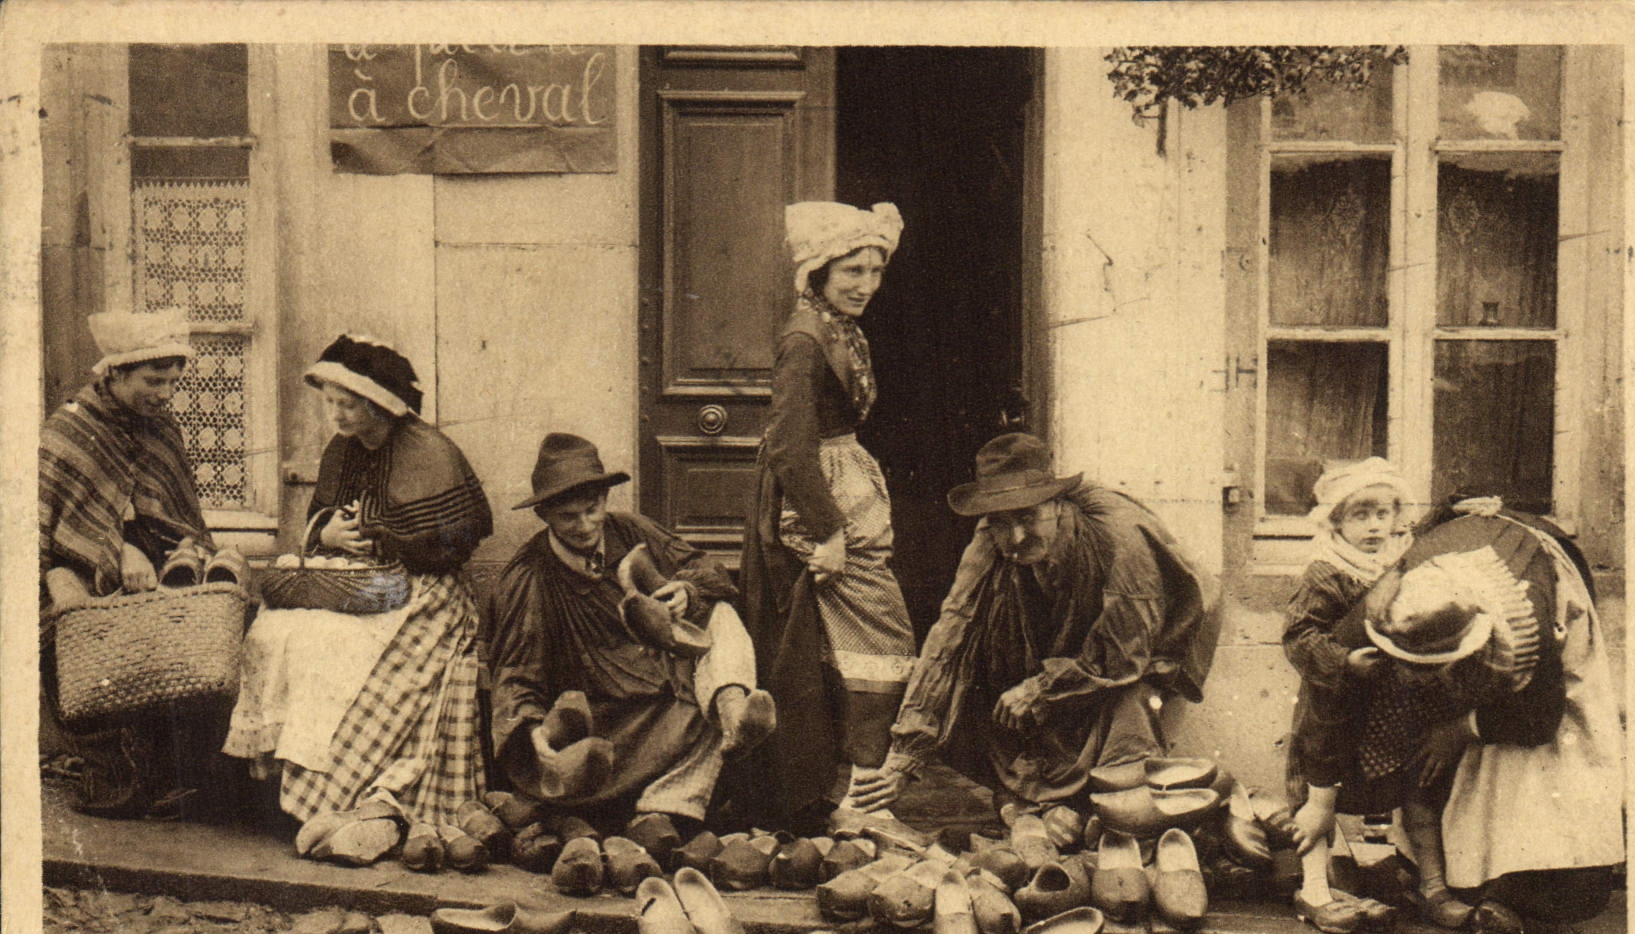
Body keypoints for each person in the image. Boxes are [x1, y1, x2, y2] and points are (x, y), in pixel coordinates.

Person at [846, 433, 1222, 822]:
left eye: (1028, 518)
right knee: (969, 695)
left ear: (1058, 504)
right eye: (1002, 524)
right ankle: (1029, 803)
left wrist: (1040, 688)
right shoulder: (993, 536)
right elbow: (951, 635)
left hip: (1146, 651)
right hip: (1071, 658)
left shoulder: (1120, 536)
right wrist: (905, 754)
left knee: (1132, 710)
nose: (1016, 538)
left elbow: (1123, 656)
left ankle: (1115, 820)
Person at [222, 335, 493, 864]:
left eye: (347, 405)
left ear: (379, 405)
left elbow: (463, 536)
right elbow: (319, 517)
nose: (337, 415)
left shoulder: (428, 452)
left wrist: (391, 542)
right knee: (278, 631)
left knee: (336, 647)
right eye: (330, 403)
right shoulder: (341, 450)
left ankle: (342, 800)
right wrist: (329, 536)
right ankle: (280, 793)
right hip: (349, 582)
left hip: (423, 591)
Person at [1340, 498, 1625, 934]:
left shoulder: (1526, 626)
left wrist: (1461, 729)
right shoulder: (1389, 605)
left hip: (1533, 588)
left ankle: (1507, 887)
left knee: (1538, 767)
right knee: (1434, 765)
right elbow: (1329, 692)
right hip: (1469, 559)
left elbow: (1540, 716)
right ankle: (1447, 878)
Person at [485, 433, 775, 841]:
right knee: (696, 704)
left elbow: (706, 569)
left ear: (606, 498)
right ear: (545, 515)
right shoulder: (529, 578)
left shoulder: (630, 530)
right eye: (569, 517)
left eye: (593, 509)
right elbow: (516, 671)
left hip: (669, 676)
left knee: (721, 618)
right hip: (612, 712)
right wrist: (533, 728)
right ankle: (663, 807)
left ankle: (732, 714)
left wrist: (686, 591)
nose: (585, 525)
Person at [738, 200, 920, 833]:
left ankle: (854, 798)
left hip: (841, 490)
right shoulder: (803, 339)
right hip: (817, 504)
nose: (866, 284)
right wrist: (831, 532)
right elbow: (789, 445)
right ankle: (853, 802)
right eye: (852, 271)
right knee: (877, 642)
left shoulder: (835, 325)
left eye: (875, 270)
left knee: (842, 649)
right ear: (818, 271)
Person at [40, 307, 244, 817]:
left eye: (174, 382)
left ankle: (185, 776)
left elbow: (176, 516)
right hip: (84, 581)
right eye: (155, 381)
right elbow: (46, 531)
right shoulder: (69, 433)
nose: (165, 393)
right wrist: (117, 551)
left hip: (161, 575)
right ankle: (120, 772)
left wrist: (173, 551)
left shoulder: (161, 427)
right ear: (115, 373)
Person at [1280, 457, 1444, 933]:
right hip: (1334, 701)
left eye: (1382, 514)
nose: (1374, 526)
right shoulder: (1326, 572)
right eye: (1360, 514)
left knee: (1380, 788)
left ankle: (1371, 878)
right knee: (1319, 789)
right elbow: (1298, 637)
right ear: (1335, 520)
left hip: (1387, 701)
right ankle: (1313, 886)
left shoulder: (1398, 565)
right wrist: (1341, 661)